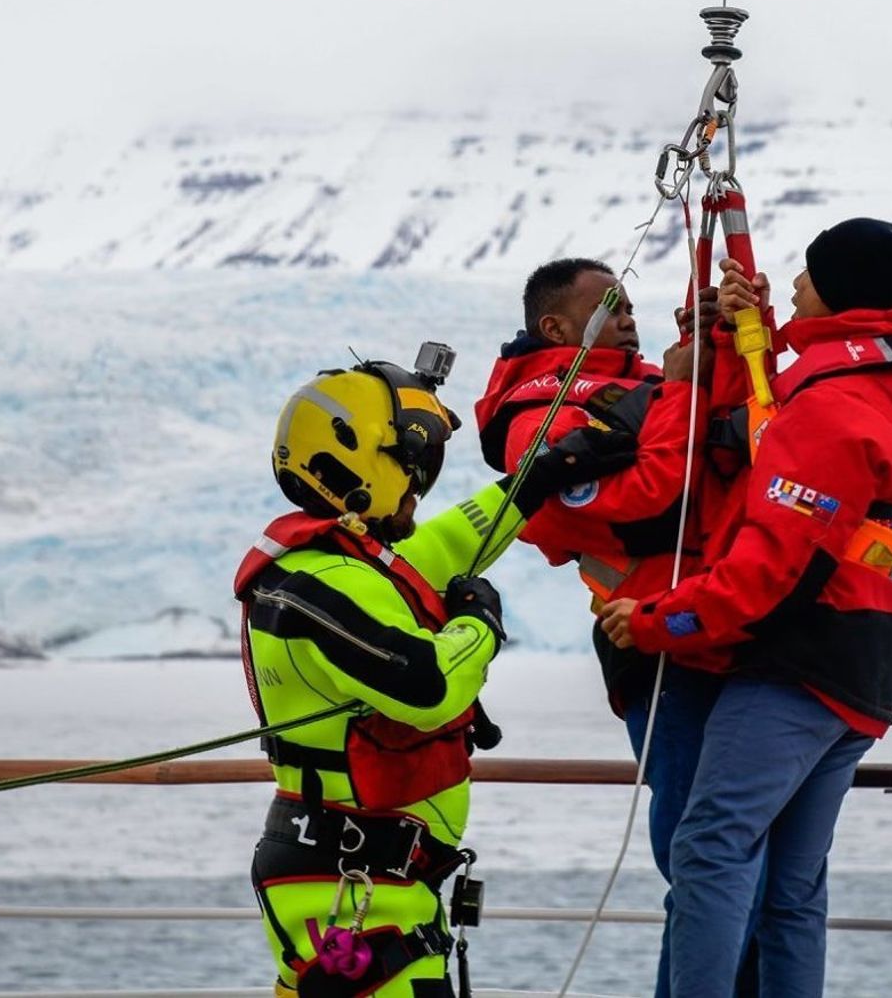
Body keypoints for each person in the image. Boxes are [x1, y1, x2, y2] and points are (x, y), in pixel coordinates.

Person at [599, 218, 892, 997]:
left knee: (709, 846)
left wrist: (657, 619)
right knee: (792, 886)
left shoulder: (830, 408)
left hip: (797, 661)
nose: (794, 284)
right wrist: (753, 326)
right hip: (867, 661)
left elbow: (769, 567)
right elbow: (794, 433)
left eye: (805, 274)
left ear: (836, 285)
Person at [239, 346, 627, 998]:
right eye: (411, 466)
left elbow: (453, 539)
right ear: (358, 463)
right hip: (355, 892)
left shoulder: (332, 567)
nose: (419, 484)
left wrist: (543, 475)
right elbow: (428, 686)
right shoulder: (323, 584)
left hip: (355, 881)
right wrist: (481, 622)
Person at [473, 259, 759, 997]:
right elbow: (651, 493)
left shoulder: (640, 385)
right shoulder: (536, 423)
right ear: (555, 327)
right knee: (701, 860)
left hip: (719, 624)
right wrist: (686, 382)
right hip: (654, 642)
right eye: (609, 306)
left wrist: (719, 339)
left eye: (630, 303)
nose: (628, 315)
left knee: (735, 861)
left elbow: (723, 442)